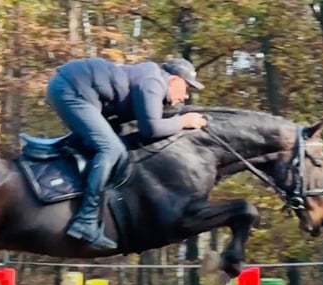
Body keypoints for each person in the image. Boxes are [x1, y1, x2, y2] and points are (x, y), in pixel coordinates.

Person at [46, 56, 208, 250]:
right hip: (71, 89)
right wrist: (184, 121)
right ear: (174, 80)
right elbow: (151, 128)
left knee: (113, 141)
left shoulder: (152, 81)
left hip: (75, 88)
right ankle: (85, 220)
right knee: (111, 148)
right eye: (187, 88)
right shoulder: (154, 82)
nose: (186, 96)